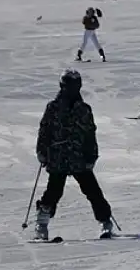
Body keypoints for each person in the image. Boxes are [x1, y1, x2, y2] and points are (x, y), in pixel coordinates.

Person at [34, 69, 114, 240]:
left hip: (79, 157)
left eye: (76, 87)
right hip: (58, 156)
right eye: (69, 87)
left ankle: (105, 221)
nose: (72, 91)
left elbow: (90, 133)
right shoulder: (53, 108)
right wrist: (42, 151)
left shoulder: (84, 109)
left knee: (92, 191)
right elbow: (44, 130)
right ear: (62, 87)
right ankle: (41, 223)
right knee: (54, 191)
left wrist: (92, 156)